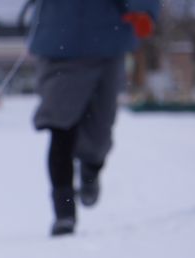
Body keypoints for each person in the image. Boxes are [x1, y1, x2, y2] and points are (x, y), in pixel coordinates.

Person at [25, 0, 160, 236]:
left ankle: (91, 167)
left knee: (99, 134)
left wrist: (145, 11)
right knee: (60, 127)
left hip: (108, 43)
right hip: (58, 44)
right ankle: (64, 212)